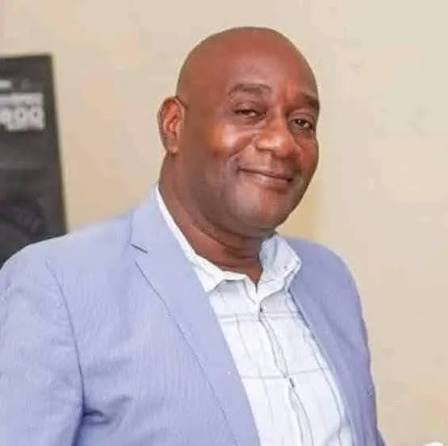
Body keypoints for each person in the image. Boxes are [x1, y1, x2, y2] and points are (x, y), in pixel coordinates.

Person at [0, 27, 383, 445]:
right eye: (249, 111)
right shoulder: (58, 286)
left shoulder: (329, 279)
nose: (282, 142)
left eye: (302, 122)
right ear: (173, 125)